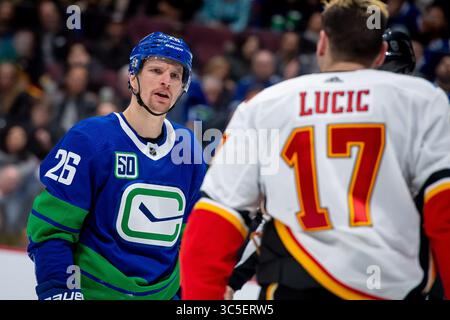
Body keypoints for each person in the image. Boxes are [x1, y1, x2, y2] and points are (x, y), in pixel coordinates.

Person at [180, 0, 450, 300]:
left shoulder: (265, 105)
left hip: (293, 287)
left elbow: (214, 221)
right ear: (379, 54)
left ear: (322, 44)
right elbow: (445, 214)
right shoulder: (425, 100)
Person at [26, 32, 206, 300]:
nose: (166, 81)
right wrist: (58, 290)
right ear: (133, 77)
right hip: (93, 292)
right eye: (156, 70)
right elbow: (52, 229)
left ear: (183, 88)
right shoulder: (89, 139)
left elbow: (192, 239)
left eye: (176, 75)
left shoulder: (189, 149)